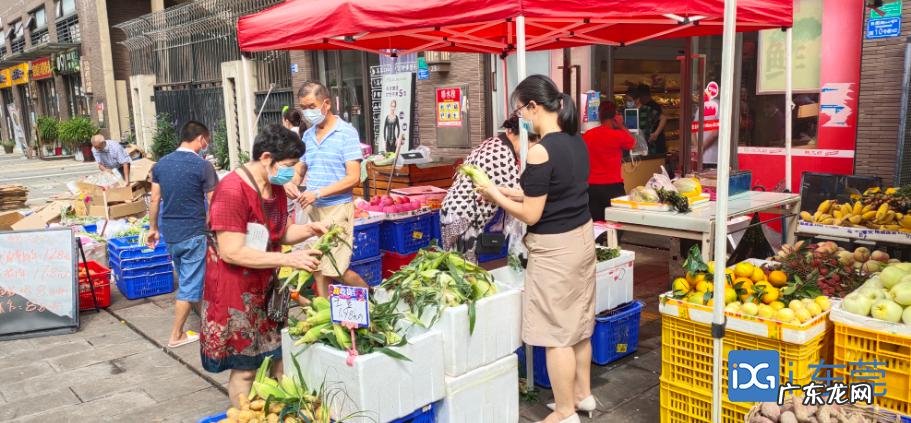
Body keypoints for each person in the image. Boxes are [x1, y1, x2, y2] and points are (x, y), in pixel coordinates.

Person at [479, 75, 596, 423]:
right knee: (579, 324)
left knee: (555, 333)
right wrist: (509, 191)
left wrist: (493, 192)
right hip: (582, 238)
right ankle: (582, 396)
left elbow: (532, 212)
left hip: (555, 250)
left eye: (519, 110)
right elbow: (556, 193)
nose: (519, 118)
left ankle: (564, 412)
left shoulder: (542, 150)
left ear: (533, 106)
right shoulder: (577, 141)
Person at [200, 123, 326, 407]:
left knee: (278, 358)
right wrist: (288, 258)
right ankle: (245, 414)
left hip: (266, 286)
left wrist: (311, 230)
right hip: (235, 291)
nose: (292, 172)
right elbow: (232, 252)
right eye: (289, 165)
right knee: (246, 368)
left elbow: (280, 232)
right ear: (267, 158)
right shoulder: (232, 190)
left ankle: (279, 409)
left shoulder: (276, 187)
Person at [285, 81, 367, 297]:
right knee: (317, 266)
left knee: (337, 269)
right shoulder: (307, 136)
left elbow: (354, 177)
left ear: (326, 104)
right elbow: (300, 169)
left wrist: (318, 193)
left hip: (337, 210)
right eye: (304, 108)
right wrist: (291, 182)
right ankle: (324, 312)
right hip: (313, 211)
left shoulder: (346, 133)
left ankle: (370, 297)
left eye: (311, 106)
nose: (307, 112)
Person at [147, 121, 218, 348]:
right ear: (200, 139)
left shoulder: (161, 165)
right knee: (189, 283)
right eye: (206, 140)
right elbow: (213, 201)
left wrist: (152, 228)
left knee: (189, 277)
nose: (206, 145)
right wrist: (215, 227)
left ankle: (203, 318)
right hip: (194, 231)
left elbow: (155, 200)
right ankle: (176, 334)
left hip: (170, 232)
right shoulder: (203, 166)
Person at [440, 115, 538, 262]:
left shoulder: (493, 143)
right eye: (530, 141)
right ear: (516, 135)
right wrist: (539, 196)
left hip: (453, 212)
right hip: (463, 217)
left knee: (457, 264)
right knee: (465, 270)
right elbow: (516, 195)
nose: (528, 148)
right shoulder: (503, 153)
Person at [583, 102, 635, 222]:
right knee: (617, 223)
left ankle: (599, 242)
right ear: (614, 117)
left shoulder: (588, 135)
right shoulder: (619, 135)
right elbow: (633, 143)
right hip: (613, 186)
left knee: (595, 224)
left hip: (591, 186)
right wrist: (621, 126)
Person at [636, 83, 668, 156]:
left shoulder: (651, 107)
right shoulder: (653, 105)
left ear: (642, 96)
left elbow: (663, 118)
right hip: (653, 141)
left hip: (656, 142)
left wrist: (655, 134)